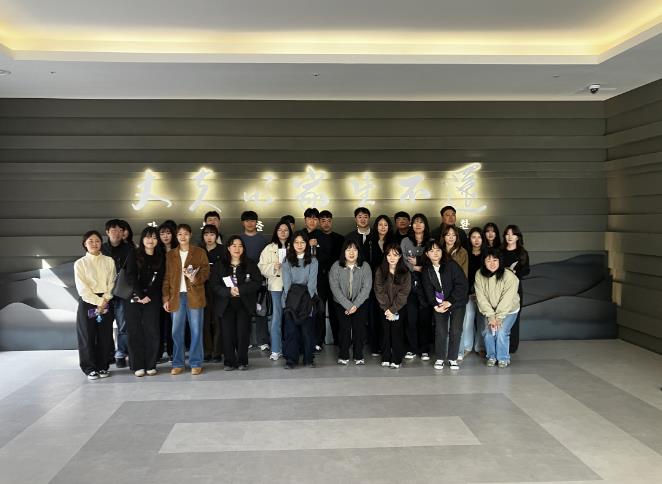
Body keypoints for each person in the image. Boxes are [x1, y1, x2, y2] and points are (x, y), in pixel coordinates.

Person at [162, 224, 210, 375]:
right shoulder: (170, 254)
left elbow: (206, 272)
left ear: (190, 235)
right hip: (176, 297)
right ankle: (178, 363)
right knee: (176, 331)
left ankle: (196, 362)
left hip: (195, 296)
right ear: (176, 236)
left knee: (196, 331)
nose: (183, 237)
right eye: (180, 234)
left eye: (185, 234)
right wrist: (165, 298)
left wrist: (194, 278)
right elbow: (166, 278)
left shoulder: (199, 252)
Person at [211, 236, 262, 371]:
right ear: (228, 248)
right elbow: (214, 285)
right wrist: (228, 291)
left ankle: (242, 361)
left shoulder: (250, 264)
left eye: (240, 246)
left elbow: (257, 282)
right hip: (226, 304)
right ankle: (229, 361)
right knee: (227, 334)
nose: (237, 249)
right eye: (234, 246)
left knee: (242, 333)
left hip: (244, 303)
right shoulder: (220, 265)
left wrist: (240, 290)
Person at [74, 230, 116, 380]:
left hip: (106, 300)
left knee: (105, 336)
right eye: (90, 241)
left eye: (97, 241)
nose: (94, 244)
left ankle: (103, 366)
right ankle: (89, 368)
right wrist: (99, 303)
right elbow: (82, 289)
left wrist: (105, 300)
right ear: (84, 244)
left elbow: (112, 282)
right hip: (88, 302)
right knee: (87, 336)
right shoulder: (80, 263)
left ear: (101, 243)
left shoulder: (109, 261)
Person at [422, 239, 468, 370]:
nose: (435, 253)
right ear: (427, 254)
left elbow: (462, 285)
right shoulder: (427, 270)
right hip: (439, 304)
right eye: (431, 251)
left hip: (457, 302)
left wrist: (450, 301)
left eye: (438, 250)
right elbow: (428, 289)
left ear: (442, 251)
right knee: (440, 331)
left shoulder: (451, 265)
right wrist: (434, 305)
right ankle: (440, 358)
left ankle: (453, 358)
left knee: (455, 330)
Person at [125, 226, 165, 377]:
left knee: (152, 331)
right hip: (133, 297)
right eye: (148, 237)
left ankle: (150, 364)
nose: (151, 240)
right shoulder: (134, 254)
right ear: (142, 239)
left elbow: (160, 279)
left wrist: (149, 296)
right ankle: (137, 365)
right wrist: (141, 295)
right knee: (135, 331)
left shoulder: (161, 256)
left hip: (152, 299)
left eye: (154, 237)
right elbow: (130, 276)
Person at [474, 247, 520, 367]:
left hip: (509, 310)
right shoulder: (479, 274)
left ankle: (503, 358)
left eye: (495, 260)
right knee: (487, 331)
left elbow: (507, 300)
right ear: (484, 262)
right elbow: (481, 297)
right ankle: (492, 356)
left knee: (501, 331)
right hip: (489, 310)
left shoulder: (510, 276)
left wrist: (498, 318)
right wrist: (491, 316)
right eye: (488, 260)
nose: (492, 263)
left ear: (500, 261)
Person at [329, 239, 373, 365]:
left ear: (359, 252)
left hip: (360, 303)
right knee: (344, 328)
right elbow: (334, 288)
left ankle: (358, 354)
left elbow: (366, 288)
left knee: (359, 328)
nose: (352, 252)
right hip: (341, 303)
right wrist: (348, 305)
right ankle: (343, 354)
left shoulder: (365, 266)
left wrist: (355, 305)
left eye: (354, 249)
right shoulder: (336, 266)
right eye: (348, 249)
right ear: (343, 252)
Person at [281, 231, 318, 369]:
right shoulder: (287, 261)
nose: (299, 245)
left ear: (307, 244)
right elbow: (287, 284)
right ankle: (291, 360)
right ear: (292, 244)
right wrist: (292, 300)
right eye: (296, 242)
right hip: (291, 299)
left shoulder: (313, 261)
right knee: (291, 331)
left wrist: (306, 301)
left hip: (307, 300)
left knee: (307, 331)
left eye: (302, 242)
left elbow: (312, 284)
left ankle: (309, 359)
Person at [258, 221, 292, 361]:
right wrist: (274, 266)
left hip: (292, 287)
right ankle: (276, 349)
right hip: (276, 287)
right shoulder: (269, 248)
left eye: (286, 230)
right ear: (276, 232)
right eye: (280, 230)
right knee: (276, 318)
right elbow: (261, 266)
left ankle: (291, 348)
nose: (283, 232)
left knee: (292, 318)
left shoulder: (294, 246)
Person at [400, 213, 432, 360]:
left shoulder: (431, 241)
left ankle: (425, 349)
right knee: (411, 319)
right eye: (415, 222)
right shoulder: (406, 241)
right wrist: (415, 267)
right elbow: (403, 260)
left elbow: (434, 259)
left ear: (425, 225)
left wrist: (418, 262)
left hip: (427, 285)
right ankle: (412, 348)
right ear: (411, 225)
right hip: (409, 284)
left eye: (421, 222)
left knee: (425, 319)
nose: (418, 225)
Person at [101, 219, 132, 369]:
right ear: (107, 232)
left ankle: (121, 354)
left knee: (123, 325)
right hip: (103, 293)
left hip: (121, 292)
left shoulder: (129, 249)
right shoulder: (101, 248)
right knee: (105, 326)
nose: (117, 233)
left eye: (120, 230)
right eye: (113, 230)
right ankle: (108, 354)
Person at [374, 243, 410, 369]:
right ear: (385, 256)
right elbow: (378, 290)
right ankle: (385, 357)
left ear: (400, 256)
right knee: (385, 332)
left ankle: (397, 359)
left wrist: (393, 309)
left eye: (395, 255)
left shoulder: (405, 272)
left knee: (396, 332)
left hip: (399, 308)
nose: (392, 258)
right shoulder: (380, 270)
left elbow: (404, 293)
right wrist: (387, 309)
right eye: (389, 255)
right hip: (383, 308)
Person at [239, 210, 270, 351]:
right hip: (242, 281)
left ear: (256, 222)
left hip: (260, 280)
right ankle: (247, 340)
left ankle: (263, 340)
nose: (250, 223)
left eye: (252, 221)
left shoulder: (263, 240)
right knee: (245, 311)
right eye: (247, 221)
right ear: (242, 223)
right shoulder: (239, 240)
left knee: (260, 311)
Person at [366, 214, 395, 355]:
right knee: (374, 315)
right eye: (380, 224)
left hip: (390, 283)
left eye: (385, 225)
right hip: (373, 283)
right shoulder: (370, 242)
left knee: (388, 313)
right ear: (376, 226)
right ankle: (375, 346)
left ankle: (388, 345)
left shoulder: (393, 242)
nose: (383, 227)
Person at [303, 207, 331, 352]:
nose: (312, 221)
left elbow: (327, 257)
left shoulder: (323, 236)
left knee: (319, 310)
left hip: (320, 280)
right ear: (305, 220)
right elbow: (294, 254)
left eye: (315, 219)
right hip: (302, 280)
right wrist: (308, 247)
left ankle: (318, 340)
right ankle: (304, 339)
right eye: (310, 218)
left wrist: (316, 249)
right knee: (304, 309)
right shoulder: (299, 235)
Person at [501, 224, 530, 353]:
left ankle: (512, 346)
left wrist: (515, 272)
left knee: (514, 316)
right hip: (500, 288)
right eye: (507, 234)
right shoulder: (500, 251)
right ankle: (500, 344)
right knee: (500, 316)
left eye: (513, 234)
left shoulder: (522, 253)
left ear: (518, 237)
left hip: (516, 288)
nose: (510, 236)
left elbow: (527, 270)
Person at [319, 210, 344, 345]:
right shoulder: (314, 238)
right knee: (320, 309)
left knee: (336, 309)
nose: (326, 223)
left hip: (336, 279)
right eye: (323, 221)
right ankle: (319, 340)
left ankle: (338, 339)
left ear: (332, 222)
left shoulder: (340, 238)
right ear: (319, 222)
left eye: (329, 221)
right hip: (320, 280)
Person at [201, 224, 223, 362]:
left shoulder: (223, 250)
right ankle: (207, 351)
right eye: (206, 234)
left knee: (218, 321)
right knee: (204, 322)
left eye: (212, 234)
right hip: (202, 290)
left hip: (219, 290)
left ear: (216, 236)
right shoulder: (199, 250)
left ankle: (217, 352)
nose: (209, 237)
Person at [158, 220, 177, 360]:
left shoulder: (178, 249)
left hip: (175, 290)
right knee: (158, 322)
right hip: (157, 291)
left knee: (172, 323)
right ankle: (158, 353)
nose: (165, 236)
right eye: (162, 233)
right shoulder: (155, 250)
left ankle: (172, 351)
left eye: (168, 233)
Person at [465, 227, 486, 354]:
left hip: (483, 293)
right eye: (473, 237)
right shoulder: (465, 253)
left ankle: (480, 347)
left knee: (482, 320)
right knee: (468, 319)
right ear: (469, 239)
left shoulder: (487, 254)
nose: (476, 240)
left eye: (479, 237)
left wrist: (479, 292)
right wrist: (470, 291)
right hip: (468, 293)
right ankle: (467, 346)